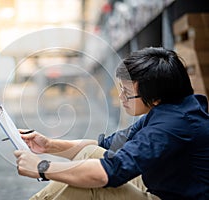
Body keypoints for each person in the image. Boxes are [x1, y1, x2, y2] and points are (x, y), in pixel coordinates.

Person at [14, 47, 209, 200]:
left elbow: (109, 173)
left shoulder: (171, 126)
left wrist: (43, 167)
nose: (121, 98)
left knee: (92, 187)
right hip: (165, 186)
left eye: (127, 92)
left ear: (156, 97)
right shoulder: (169, 109)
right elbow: (104, 146)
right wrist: (49, 145)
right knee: (89, 154)